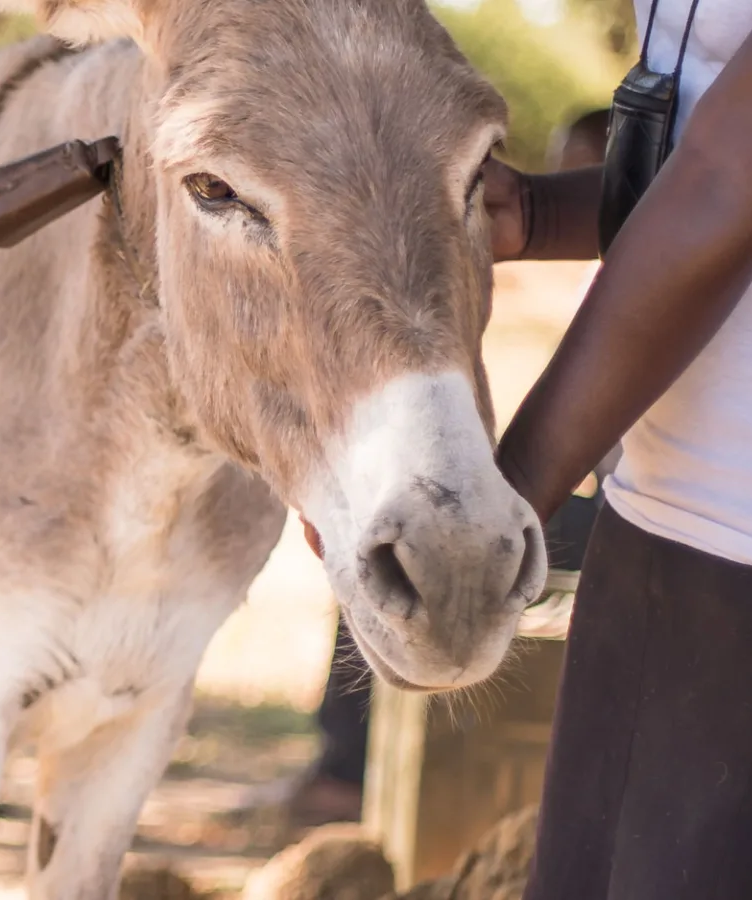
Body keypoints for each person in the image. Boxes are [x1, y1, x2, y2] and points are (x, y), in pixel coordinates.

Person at [485, 2, 752, 895]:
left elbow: (733, 175)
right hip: (662, 501)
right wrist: (536, 210)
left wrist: (509, 489)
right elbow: (699, 138)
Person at [277, 106, 620, 832]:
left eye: (578, 175)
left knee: (421, 548)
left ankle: (345, 772)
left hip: (631, 513)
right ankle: (348, 767)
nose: (559, 184)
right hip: (610, 496)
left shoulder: (646, 268)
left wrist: (509, 495)